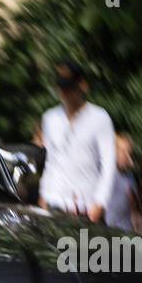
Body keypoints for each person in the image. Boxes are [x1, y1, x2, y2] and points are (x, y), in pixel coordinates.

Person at [37, 60, 117, 223]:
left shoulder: (99, 118)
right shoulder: (50, 118)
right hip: (55, 204)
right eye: (61, 87)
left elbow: (109, 165)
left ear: (83, 85)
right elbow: (51, 161)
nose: (65, 92)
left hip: (86, 208)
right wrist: (44, 194)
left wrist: (100, 202)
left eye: (69, 87)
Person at [103, 133, 137, 231]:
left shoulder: (129, 176)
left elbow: (132, 208)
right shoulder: (101, 175)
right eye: (123, 152)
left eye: (129, 153)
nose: (128, 157)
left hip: (125, 234)